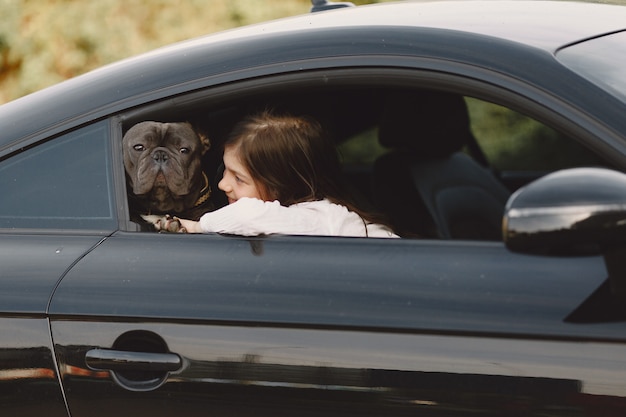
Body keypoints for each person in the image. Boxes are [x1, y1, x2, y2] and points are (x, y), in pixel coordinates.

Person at [155, 110, 398, 238]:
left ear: (282, 185)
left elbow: (248, 216)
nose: (223, 184)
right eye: (224, 170)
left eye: (239, 178)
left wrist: (197, 227)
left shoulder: (318, 218)